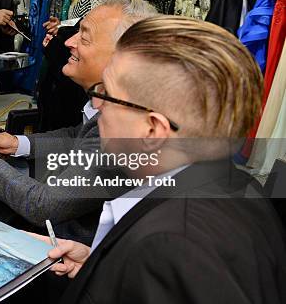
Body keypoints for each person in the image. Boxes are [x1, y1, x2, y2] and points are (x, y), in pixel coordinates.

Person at [34, 17, 286, 303]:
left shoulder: (173, 246)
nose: (97, 104)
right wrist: (100, 266)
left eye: (107, 94)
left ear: (153, 130)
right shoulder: (236, 184)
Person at [0, 0, 157, 235]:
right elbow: (79, 137)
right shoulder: (113, 106)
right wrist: (16, 143)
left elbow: (45, 206)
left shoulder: (123, 128)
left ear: (121, 58)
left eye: (84, 37)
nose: (69, 42)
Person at [37, 0, 139, 132]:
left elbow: (100, 35)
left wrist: (61, 37)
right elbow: (92, 22)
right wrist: (64, 25)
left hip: (83, 87)